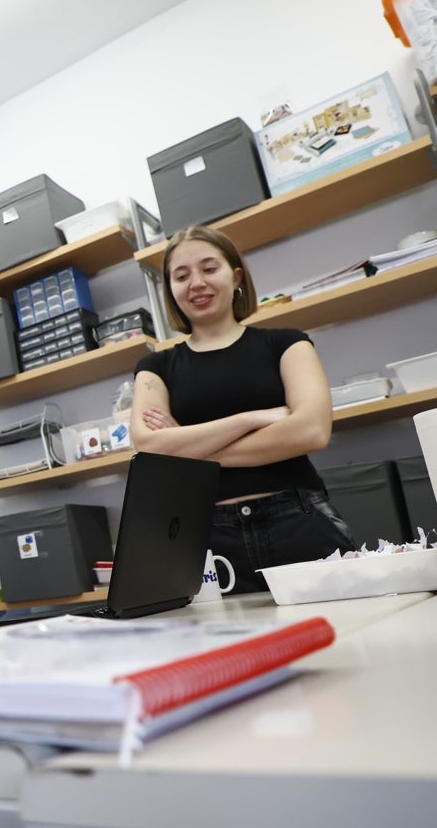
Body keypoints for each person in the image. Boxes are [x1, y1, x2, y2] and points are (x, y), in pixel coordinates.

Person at [131, 224, 357, 592]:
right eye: (181, 275)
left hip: (297, 520)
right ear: (170, 290)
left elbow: (312, 430)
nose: (196, 283)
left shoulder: (286, 344)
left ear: (235, 276)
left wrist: (190, 449)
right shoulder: (155, 367)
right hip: (206, 539)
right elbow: (149, 447)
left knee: (342, 640)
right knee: (233, 647)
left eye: (209, 268)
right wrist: (252, 419)